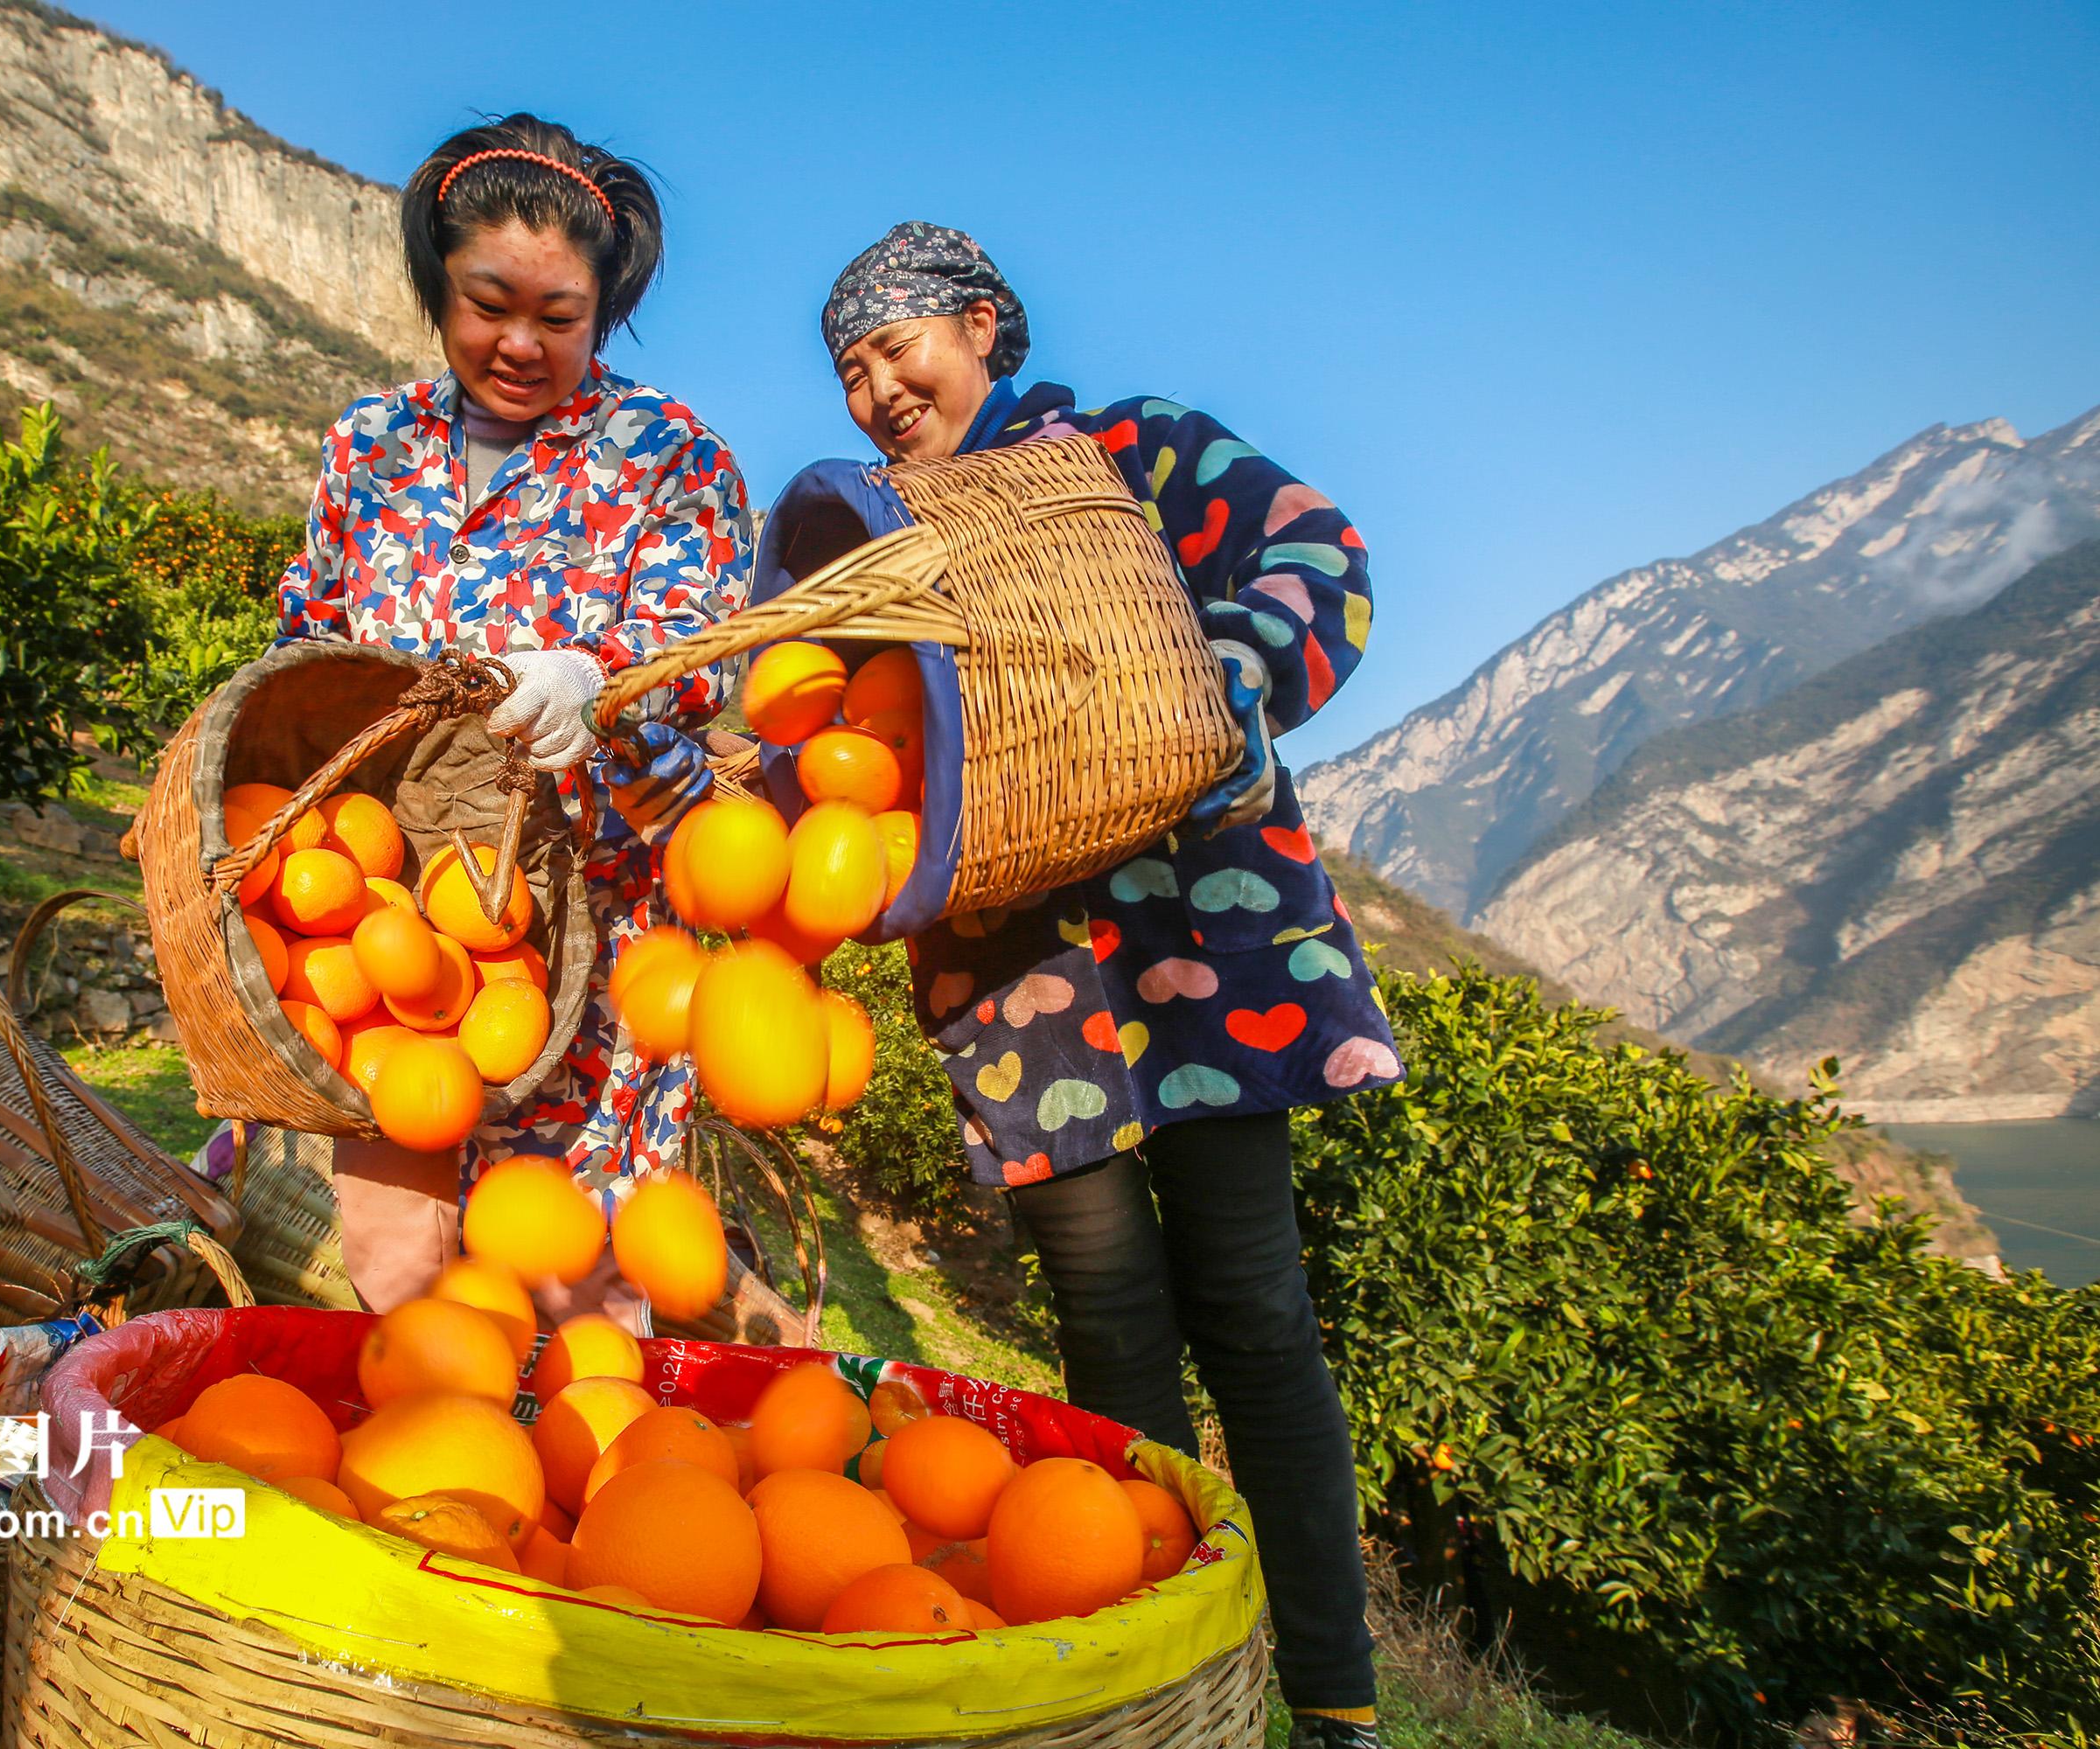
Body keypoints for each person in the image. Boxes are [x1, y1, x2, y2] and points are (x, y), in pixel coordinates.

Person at [815, 222, 1400, 1746]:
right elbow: (846, 738)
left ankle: (1333, 1697)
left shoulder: (1128, 455)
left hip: (1201, 940)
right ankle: (1157, 1669)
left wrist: (1235, 666)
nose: (878, 391)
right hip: (1018, 971)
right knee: (1106, 1317)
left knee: (1253, 1307)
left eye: (897, 348)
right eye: (850, 372)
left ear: (982, 325)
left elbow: (1323, 554)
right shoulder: (887, 541)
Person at [271, 115, 750, 1325]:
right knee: (401, 1271)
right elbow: (305, 647)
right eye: (490, 305)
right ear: (439, 285)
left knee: (570, 1287)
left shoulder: (669, 457)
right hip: (392, 920)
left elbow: (705, 646)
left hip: (596, 923)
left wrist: (606, 678)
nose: (522, 345)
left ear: (603, 315)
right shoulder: (371, 450)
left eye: (560, 318)